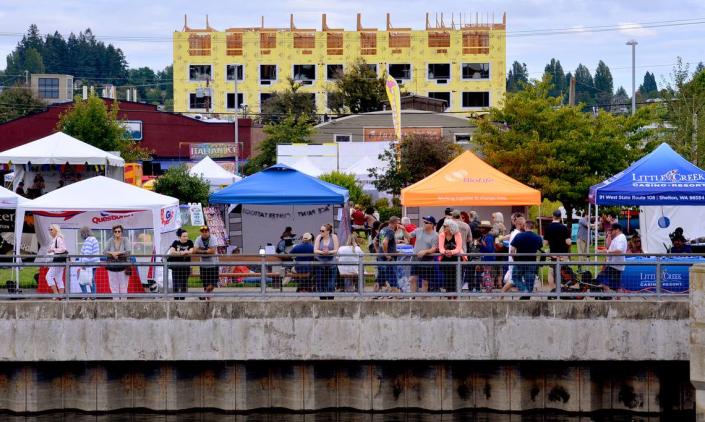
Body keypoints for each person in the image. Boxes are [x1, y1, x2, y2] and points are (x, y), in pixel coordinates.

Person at [510, 220, 543, 296]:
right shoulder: (537, 237)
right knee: (530, 281)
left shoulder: (519, 236)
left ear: (525, 226)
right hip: (532, 262)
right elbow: (539, 249)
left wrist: (514, 259)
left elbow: (512, 250)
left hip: (519, 261)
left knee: (515, 277)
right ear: (533, 227)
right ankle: (527, 296)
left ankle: (524, 290)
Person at [544, 209, 572, 291]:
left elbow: (545, 242)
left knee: (551, 271)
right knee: (562, 271)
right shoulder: (564, 227)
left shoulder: (548, 227)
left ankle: (552, 289)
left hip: (553, 253)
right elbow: (568, 242)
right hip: (563, 254)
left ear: (553, 216)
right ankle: (560, 289)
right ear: (560, 217)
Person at [409, 216, 438, 292]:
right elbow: (409, 236)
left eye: (426, 222)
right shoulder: (418, 230)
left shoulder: (435, 235)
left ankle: (423, 299)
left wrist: (425, 251)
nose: (424, 223)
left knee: (425, 282)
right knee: (412, 279)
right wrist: (403, 229)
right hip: (415, 258)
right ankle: (412, 298)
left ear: (432, 225)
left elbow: (434, 248)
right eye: (424, 222)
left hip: (427, 260)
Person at [597, 223, 628, 294]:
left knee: (601, 278)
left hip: (615, 265)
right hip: (614, 264)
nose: (611, 231)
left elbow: (619, 250)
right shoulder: (616, 238)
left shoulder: (621, 237)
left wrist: (607, 252)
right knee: (616, 285)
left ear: (617, 230)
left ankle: (608, 294)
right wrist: (609, 235)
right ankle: (618, 299)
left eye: (612, 230)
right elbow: (607, 245)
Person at [105, 224, 132, 300]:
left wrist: (118, 253)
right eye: (115, 231)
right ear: (113, 232)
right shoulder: (110, 240)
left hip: (123, 267)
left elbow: (128, 251)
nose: (117, 233)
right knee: (113, 287)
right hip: (112, 267)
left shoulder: (125, 240)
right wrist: (112, 254)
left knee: (123, 287)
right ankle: (115, 303)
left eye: (119, 231)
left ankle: (123, 304)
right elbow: (104, 252)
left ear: (121, 232)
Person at [313, 223, 339, 298]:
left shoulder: (334, 237)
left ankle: (330, 299)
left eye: (323, 231)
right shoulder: (319, 237)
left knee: (331, 284)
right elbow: (315, 250)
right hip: (320, 263)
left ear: (328, 231)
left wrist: (329, 252)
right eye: (320, 230)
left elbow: (336, 249)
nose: (321, 232)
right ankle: (322, 300)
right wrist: (322, 252)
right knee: (321, 284)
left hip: (331, 263)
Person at [376, 218, 402, 291]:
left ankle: (375, 294)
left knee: (380, 277)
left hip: (380, 257)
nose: (399, 225)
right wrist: (386, 254)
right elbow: (384, 242)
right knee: (392, 276)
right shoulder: (390, 231)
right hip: (387, 258)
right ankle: (397, 295)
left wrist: (379, 251)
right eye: (398, 223)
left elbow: (375, 241)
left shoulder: (383, 229)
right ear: (394, 223)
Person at [167, 228, 193, 300]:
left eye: (187, 236)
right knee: (175, 283)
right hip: (176, 266)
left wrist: (184, 252)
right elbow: (172, 252)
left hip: (185, 267)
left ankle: (182, 299)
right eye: (184, 236)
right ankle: (175, 298)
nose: (186, 238)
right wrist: (182, 253)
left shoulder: (190, 242)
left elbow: (191, 251)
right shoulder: (175, 242)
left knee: (184, 284)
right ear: (179, 237)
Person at [500, 213, 524, 292]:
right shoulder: (517, 234)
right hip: (515, 260)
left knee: (512, 278)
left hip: (513, 259)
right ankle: (502, 294)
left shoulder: (515, 233)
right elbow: (513, 249)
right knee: (513, 279)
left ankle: (523, 294)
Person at [438, 219, 463, 293]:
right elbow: (441, 248)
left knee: (455, 277)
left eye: (446, 226)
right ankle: (449, 295)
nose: (444, 227)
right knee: (447, 277)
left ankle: (455, 295)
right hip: (446, 258)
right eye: (444, 226)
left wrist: (451, 252)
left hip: (456, 258)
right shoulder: (442, 234)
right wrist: (446, 252)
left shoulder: (457, 234)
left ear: (451, 227)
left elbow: (459, 248)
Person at [194, 226, 218, 299]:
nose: (204, 233)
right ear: (200, 232)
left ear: (209, 232)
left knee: (214, 283)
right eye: (202, 231)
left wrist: (201, 251)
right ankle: (208, 299)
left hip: (214, 264)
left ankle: (204, 294)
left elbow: (213, 251)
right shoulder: (198, 239)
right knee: (205, 283)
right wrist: (207, 251)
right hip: (203, 265)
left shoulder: (213, 238)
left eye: (206, 231)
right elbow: (195, 250)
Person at [77, 226, 100, 294]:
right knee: (91, 281)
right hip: (93, 264)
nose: (81, 235)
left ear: (84, 233)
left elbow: (87, 253)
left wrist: (83, 264)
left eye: (81, 233)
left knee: (82, 281)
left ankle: (86, 296)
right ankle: (93, 296)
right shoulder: (93, 239)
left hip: (88, 264)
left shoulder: (89, 240)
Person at [46, 224, 67, 296]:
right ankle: (60, 296)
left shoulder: (58, 238)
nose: (50, 231)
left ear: (56, 230)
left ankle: (56, 294)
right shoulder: (56, 239)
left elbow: (63, 249)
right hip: (58, 261)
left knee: (49, 276)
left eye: (51, 229)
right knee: (58, 279)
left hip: (57, 261)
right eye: (49, 229)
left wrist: (52, 250)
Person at [476, 221, 496, 292]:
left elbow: (489, 249)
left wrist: (482, 244)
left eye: (482, 228)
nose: (480, 229)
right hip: (486, 259)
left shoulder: (489, 238)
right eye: (480, 228)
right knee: (487, 275)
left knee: (487, 275)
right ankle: (488, 291)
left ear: (486, 229)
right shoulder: (485, 237)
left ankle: (488, 291)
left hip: (488, 259)